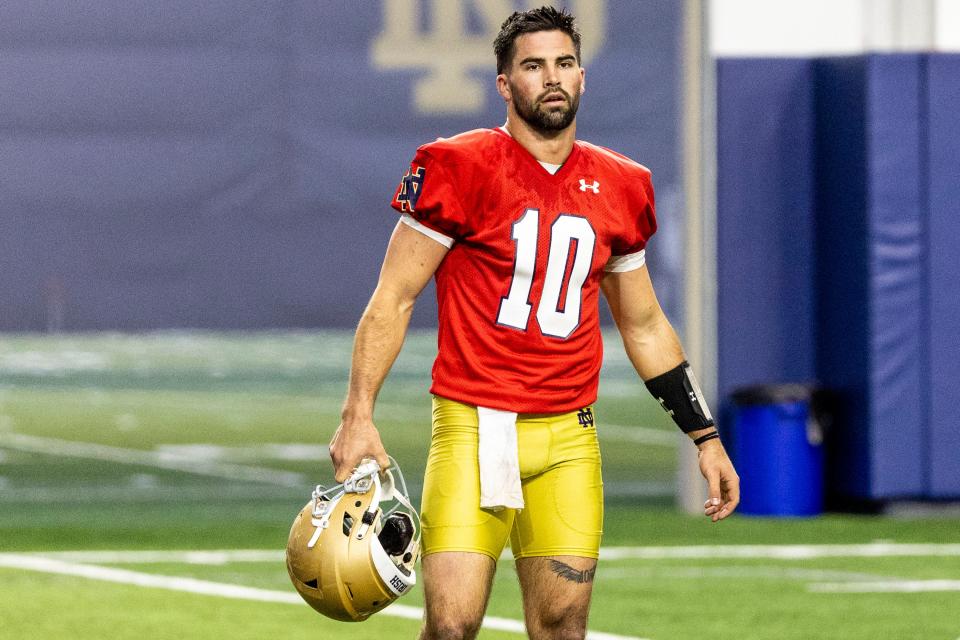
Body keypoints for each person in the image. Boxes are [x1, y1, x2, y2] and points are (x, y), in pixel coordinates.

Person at [328, 6, 740, 639]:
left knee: (563, 627)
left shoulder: (624, 185)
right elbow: (393, 300)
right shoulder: (458, 167)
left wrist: (704, 436)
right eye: (533, 65)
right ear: (504, 83)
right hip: (474, 426)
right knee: (451, 627)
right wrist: (358, 415)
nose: (552, 77)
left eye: (565, 63)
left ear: (582, 77)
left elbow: (645, 324)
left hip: (568, 436)